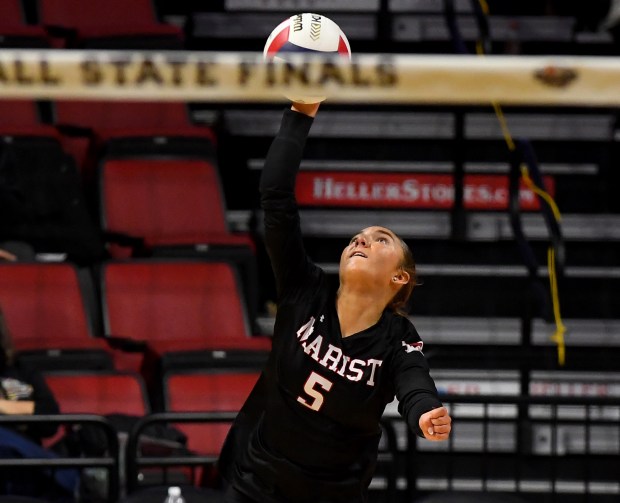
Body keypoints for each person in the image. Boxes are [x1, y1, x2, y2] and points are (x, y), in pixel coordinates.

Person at [217, 101, 452, 503]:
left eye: (381, 239)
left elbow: (413, 381)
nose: (362, 240)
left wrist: (424, 411)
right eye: (357, 236)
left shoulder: (396, 338)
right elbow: (275, 196)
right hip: (257, 478)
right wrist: (300, 113)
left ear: (400, 277)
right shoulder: (303, 287)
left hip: (332, 494)